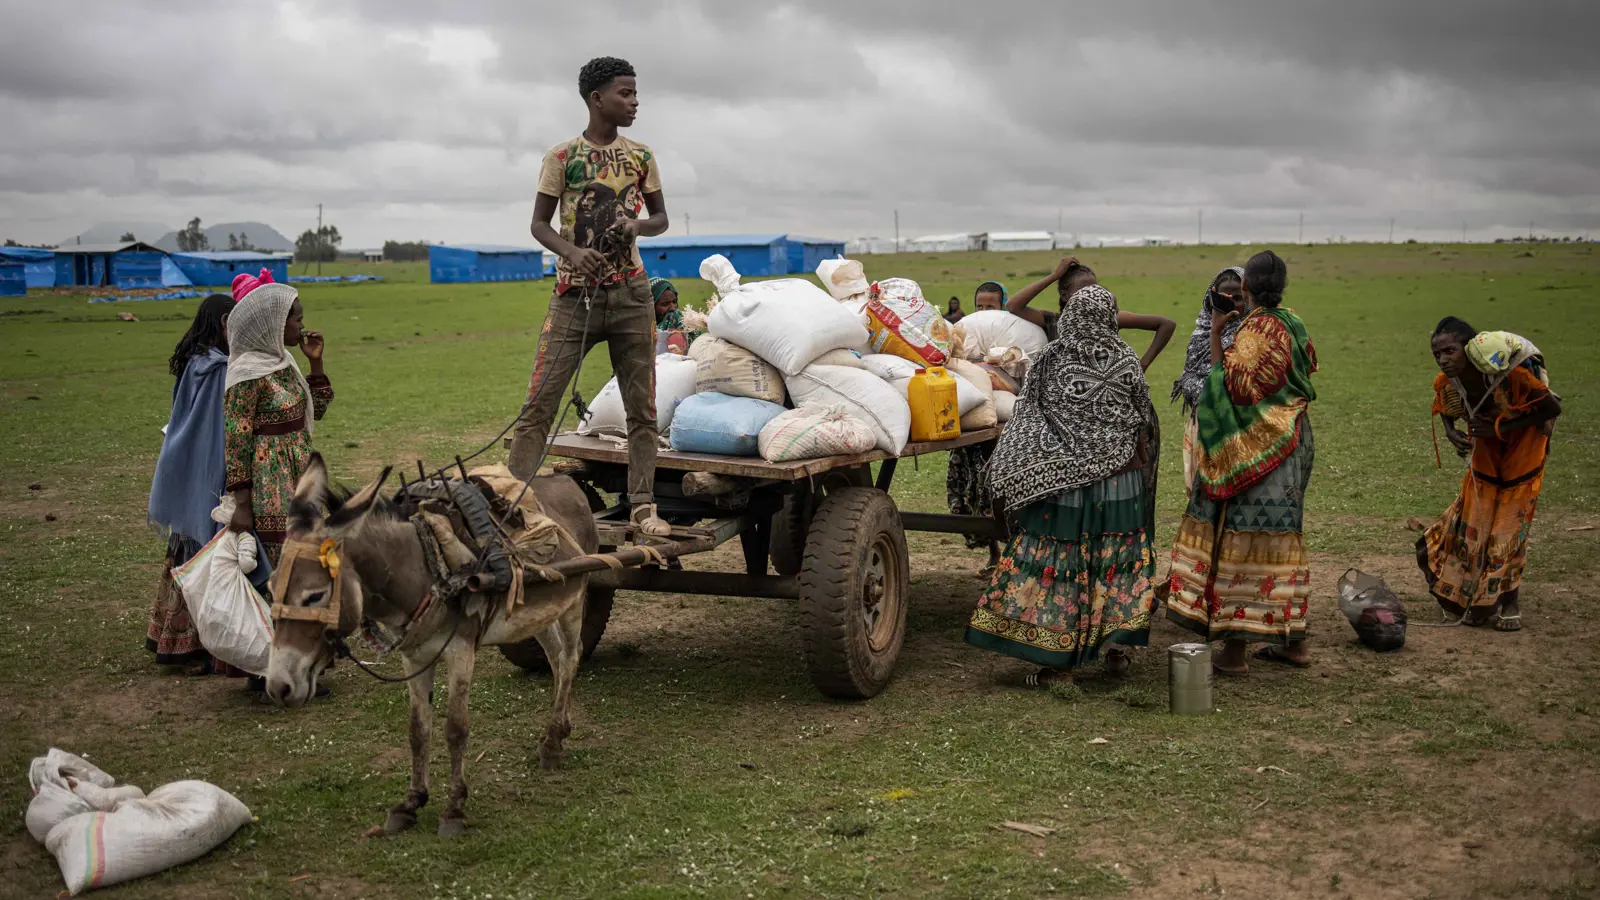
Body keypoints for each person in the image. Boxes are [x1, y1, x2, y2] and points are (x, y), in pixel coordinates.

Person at [967, 282, 1171, 683]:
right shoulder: (1126, 357)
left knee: (1063, 561)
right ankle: (1117, 649)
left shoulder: (1051, 357)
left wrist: (1025, 463)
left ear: (1072, 317)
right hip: (1121, 482)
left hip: (1066, 485)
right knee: (1117, 562)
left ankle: (1056, 660)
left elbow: (1028, 411)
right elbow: (1141, 411)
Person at [507, 56, 671, 540]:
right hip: (572, 298)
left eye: (636, 93)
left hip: (632, 296)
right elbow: (539, 224)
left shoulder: (641, 156)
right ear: (597, 99)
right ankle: (512, 504)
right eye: (626, 93)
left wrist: (636, 226)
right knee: (539, 404)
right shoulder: (562, 157)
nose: (635, 102)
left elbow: (660, 219)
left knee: (643, 409)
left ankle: (642, 506)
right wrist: (573, 253)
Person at [1167, 250, 1317, 674]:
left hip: (1252, 450)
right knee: (1282, 538)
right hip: (1291, 439)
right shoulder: (1293, 323)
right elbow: (1307, 367)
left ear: (1246, 287)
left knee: (1241, 539)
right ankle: (1295, 644)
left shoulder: (1252, 332)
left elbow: (1226, 389)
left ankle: (1234, 654)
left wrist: (1218, 334)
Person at [1008, 257, 1176, 534]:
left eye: (1095, 288)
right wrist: (1054, 275)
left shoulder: (1109, 320)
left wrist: (1140, 365)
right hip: (1071, 424)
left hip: (1114, 414)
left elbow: (1166, 324)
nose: (1092, 294)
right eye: (1083, 290)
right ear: (1065, 295)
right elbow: (1014, 306)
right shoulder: (1054, 322)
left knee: (1129, 489)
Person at [1418, 318, 1560, 631]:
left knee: (1508, 529)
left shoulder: (1511, 375)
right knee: (1476, 524)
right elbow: (1445, 404)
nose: (1443, 359)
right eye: (1437, 354)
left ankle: (1509, 602)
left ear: (1470, 349)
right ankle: (1479, 599)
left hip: (1524, 448)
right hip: (1486, 449)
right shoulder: (1448, 381)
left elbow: (1550, 407)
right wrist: (1450, 432)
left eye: (1450, 351)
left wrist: (1500, 427)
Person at [147, 293, 235, 674]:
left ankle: (173, 638)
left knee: (185, 549)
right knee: (202, 555)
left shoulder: (194, 362)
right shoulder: (217, 369)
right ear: (223, 324)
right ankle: (192, 647)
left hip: (185, 465)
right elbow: (216, 429)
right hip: (206, 471)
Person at [223, 270, 333, 567]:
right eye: (297, 319)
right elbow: (236, 441)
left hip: (301, 474)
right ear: (275, 322)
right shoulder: (247, 374)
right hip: (270, 481)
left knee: (312, 554)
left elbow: (316, 411)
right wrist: (242, 505)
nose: (302, 326)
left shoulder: (284, 361)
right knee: (282, 561)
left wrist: (316, 363)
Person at [1172, 266, 1245, 497]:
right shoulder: (1201, 331)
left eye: (1237, 298)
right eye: (1223, 298)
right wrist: (1213, 330)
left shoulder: (1250, 334)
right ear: (1211, 298)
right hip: (1201, 422)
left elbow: (1220, 382)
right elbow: (1191, 375)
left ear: (1249, 298)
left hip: (1236, 425)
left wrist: (1216, 333)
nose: (1231, 304)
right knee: (1200, 491)